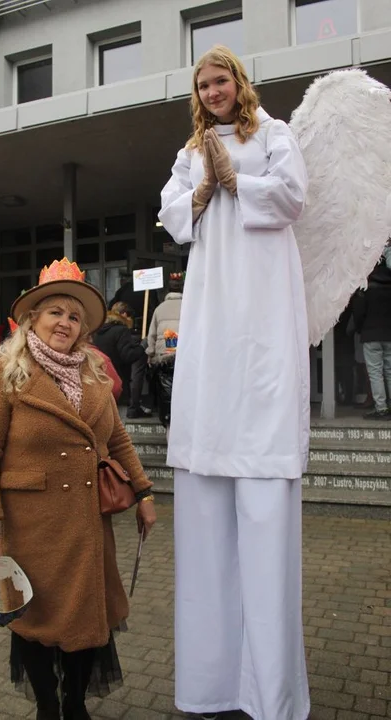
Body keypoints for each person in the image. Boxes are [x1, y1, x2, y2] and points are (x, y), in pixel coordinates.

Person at [159, 46, 310, 720]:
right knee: (204, 523)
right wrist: (200, 189)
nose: (213, 90)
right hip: (212, 311)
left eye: (221, 79)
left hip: (264, 306)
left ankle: (271, 693)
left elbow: (293, 197)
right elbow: (171, 214)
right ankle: (211, 685)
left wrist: (237, 183)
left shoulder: (273, 134)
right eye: (203, 83)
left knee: (265, 515)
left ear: (238, 83)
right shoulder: (189, 149)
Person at [0, 258, 156, 720]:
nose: (65, 323)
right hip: (32, 529)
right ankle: (48, 707)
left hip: (88, 524)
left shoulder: (94, 374)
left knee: (89, 619)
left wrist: (144, 493)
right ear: (33, 318)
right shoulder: (4, 373)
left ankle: (74, 704)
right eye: (55, 313)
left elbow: (117, 439)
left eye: (74, 316)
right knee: (35, 621)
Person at [93, 302, 150, 418]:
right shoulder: (122, 330)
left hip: (100, 382)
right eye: (129, 316)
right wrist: (142, 346)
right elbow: (127, 356)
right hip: (118, 381)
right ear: (124, 314)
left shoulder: (98, 330)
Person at [352, 258, 391, 419]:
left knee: (375, 373)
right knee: (390, 371)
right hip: (390, 335)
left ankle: (381, 408)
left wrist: (361, 329)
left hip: (371, 335)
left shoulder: (366, 287)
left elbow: (358, 313)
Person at [147, 273, 184, 432]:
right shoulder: (190, 306)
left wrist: (150, 354)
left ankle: (169, 423)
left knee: (167, 395)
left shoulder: (159, 309)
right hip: (185, 356)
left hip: (164, 358)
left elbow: (152, 335)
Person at [107, 267, 159, 336]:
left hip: (125, 327)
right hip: (142, 327)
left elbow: (111, 307)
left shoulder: (123, 289)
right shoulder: (149, 290)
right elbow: (154, 308)